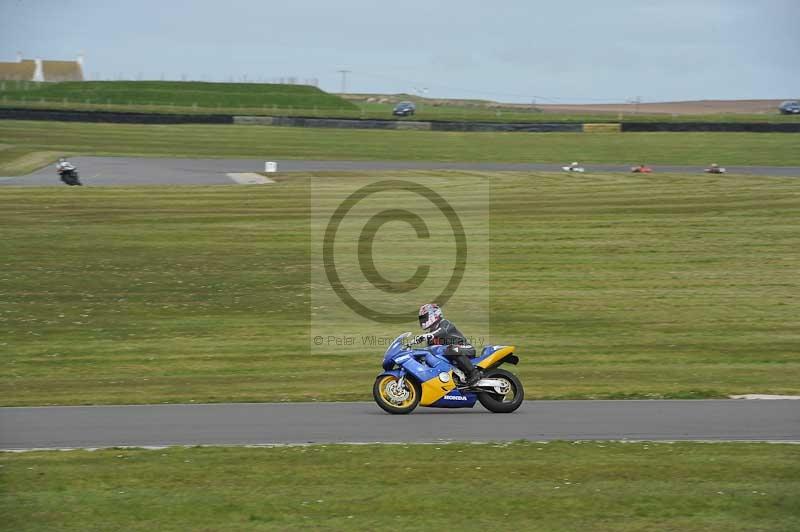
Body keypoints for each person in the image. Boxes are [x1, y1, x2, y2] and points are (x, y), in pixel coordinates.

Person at [411, 303, 482, 386]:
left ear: (434, 314)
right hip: (450, 353)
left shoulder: (445, 323)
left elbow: (442, 331)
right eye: (422, 318)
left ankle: (474, 373)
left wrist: (427, 336)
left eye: (424, 317)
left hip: (465, 348)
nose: (423, 321)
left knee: (451, 349)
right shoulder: (431, 334)